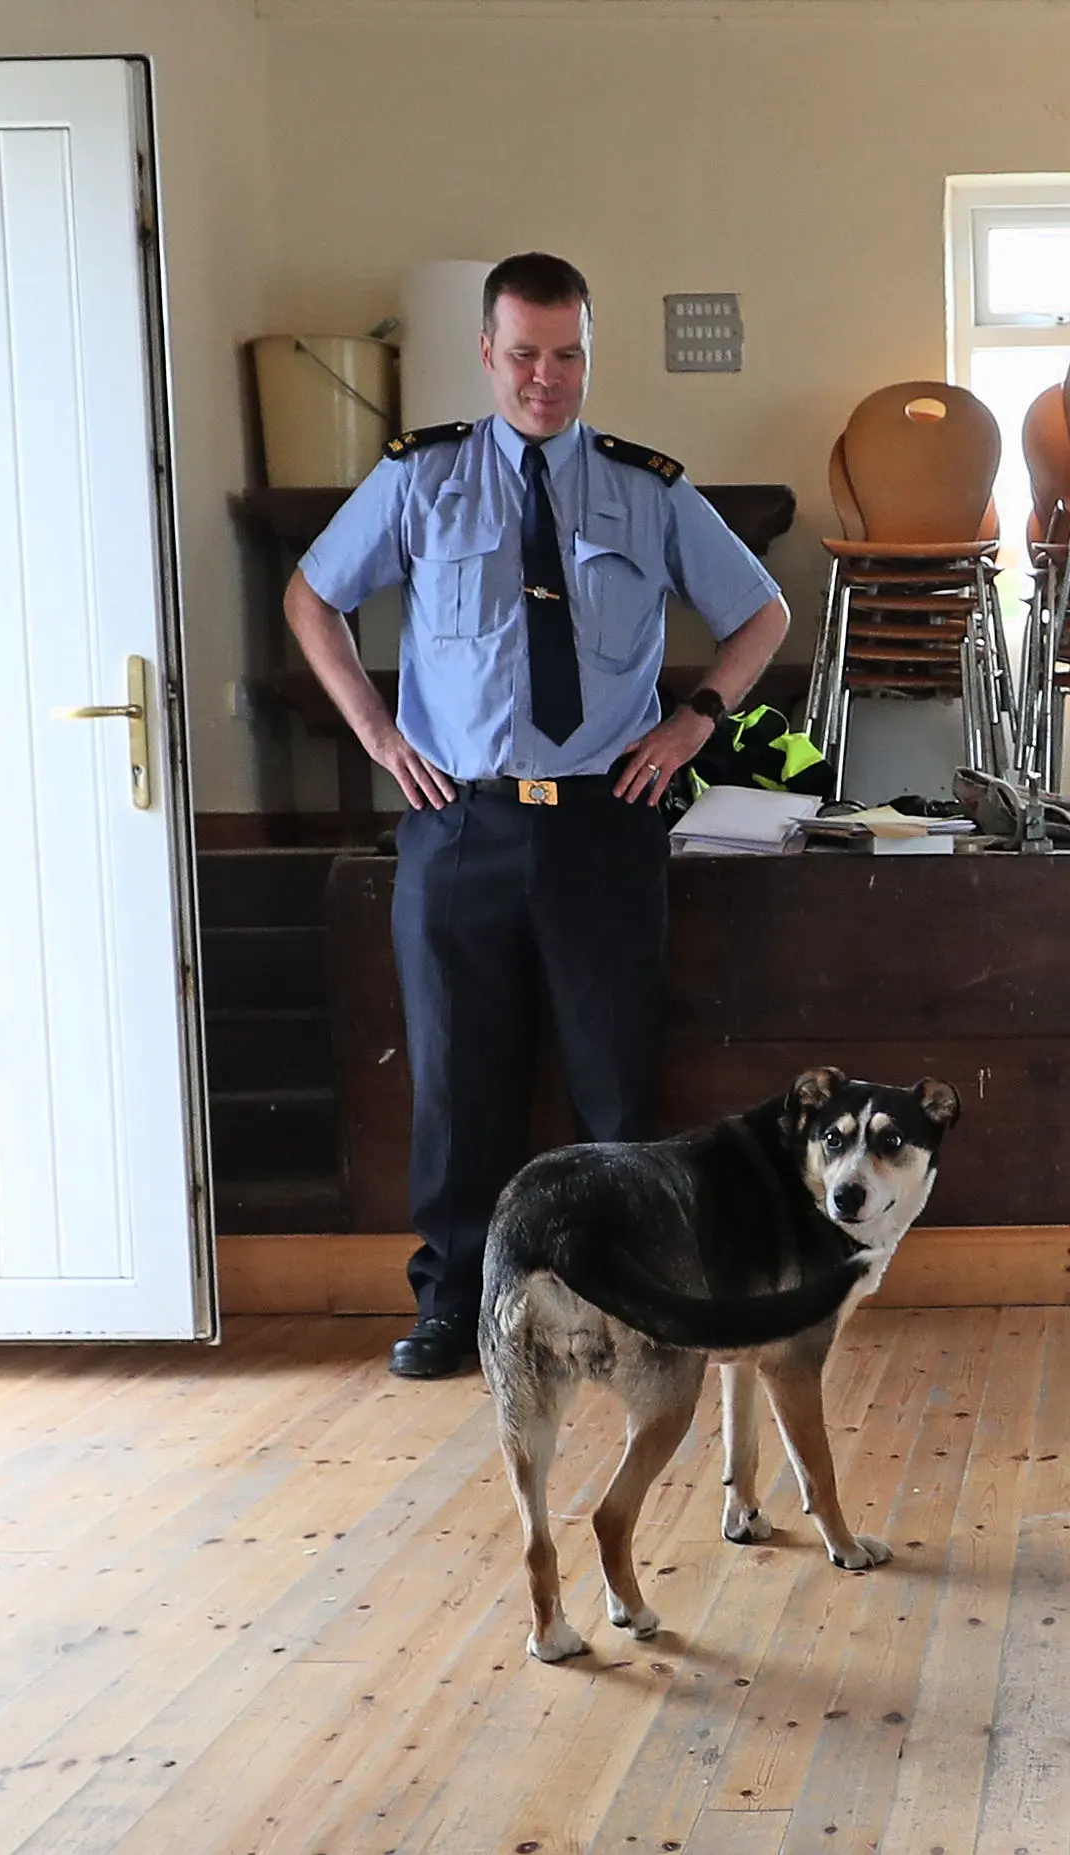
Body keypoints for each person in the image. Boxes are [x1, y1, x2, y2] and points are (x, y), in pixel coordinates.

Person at [285, 253, 793, 1379]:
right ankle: (459, 1305)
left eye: (568, 355)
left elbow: (761, 610)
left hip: (604, 822)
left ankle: (621, 1304)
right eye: (524, 354)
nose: (546, 378)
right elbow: (311, 594)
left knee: (612, 1080)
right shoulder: (425, 480)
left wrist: (693, 724)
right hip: (460, 822)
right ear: (486, 353)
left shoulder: (644, 487)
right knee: (460, 1080)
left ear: (587, 353)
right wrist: (377, 735)